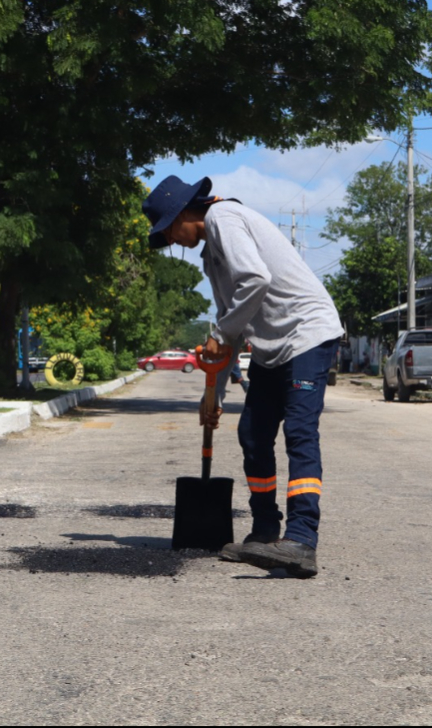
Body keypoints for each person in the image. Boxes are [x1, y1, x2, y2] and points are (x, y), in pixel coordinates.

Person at [142, 175, 342, 579]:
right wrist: (211, 395)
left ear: (183, 213)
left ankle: (301, 539)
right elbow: (229, 328)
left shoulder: (223, 218)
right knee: (253, 434)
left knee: (300, 433)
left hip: (306, 334)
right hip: (271, 348)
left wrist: (220, 335)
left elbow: (255, 280)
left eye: (169, 232)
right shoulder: (211, 255)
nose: (173, 242)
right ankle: (266, 532)